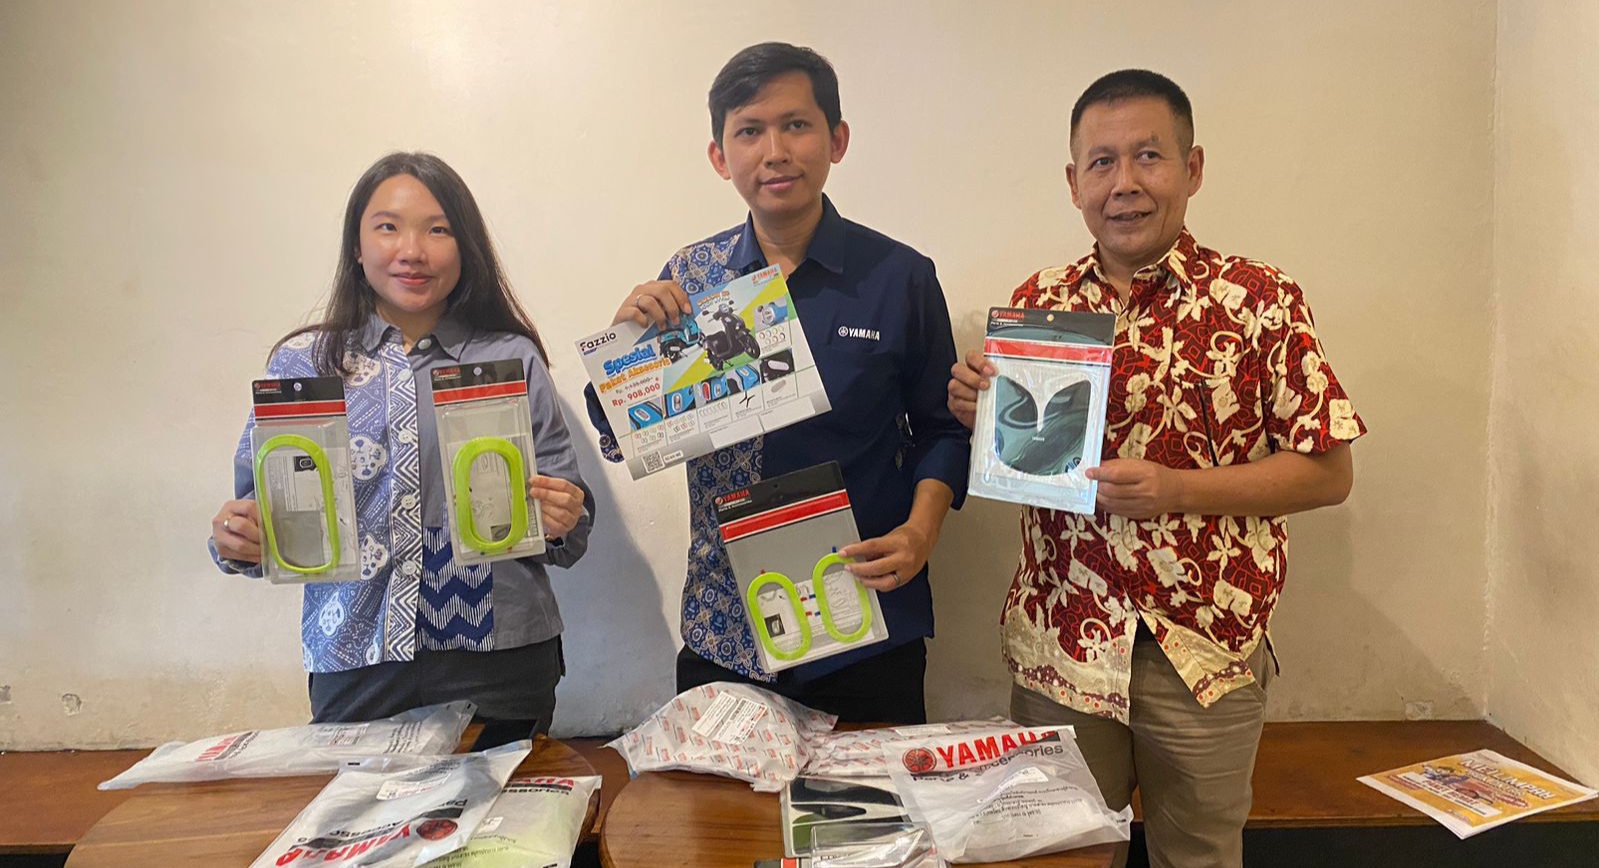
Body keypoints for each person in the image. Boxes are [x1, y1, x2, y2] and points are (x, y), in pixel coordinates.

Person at [947, 69, 1364, 868]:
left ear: (1191, 168)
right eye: (1101, 163)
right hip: (1061, 644)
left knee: (1197, 856)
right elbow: (1023, 460)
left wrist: (1178, 491)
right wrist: (978, 411)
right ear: (1073, 183)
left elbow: (1326, 473)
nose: (1124, 183)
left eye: (1148, 156)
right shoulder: (1040, 303)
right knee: (1059, 856)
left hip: (1202, 652)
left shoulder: (1259, 300)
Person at [585, 42, 969, 723]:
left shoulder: (899, 277)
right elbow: (625, 436)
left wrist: (921, 531)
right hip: (726, 626)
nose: (775, 151)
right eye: (749, 131)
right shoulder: (691, 279)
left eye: (796, 125)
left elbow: (942, 430)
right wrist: (625, 351)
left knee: (866, 794)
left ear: (836, 139)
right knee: (715, 798)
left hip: (863, 617)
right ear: (719, 156)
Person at [210, 152, 594, 746]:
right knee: (359, 807)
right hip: (355, 656)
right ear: (356, 247)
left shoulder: (509, 358)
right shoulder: (306, 365)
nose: (412, 251)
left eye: (438, 230)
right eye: (388, 227)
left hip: (501, 657)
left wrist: (565, 514)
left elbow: (571, 525)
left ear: (466, 248)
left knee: (500, 806)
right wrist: (238, 539)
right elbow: (260, 521)